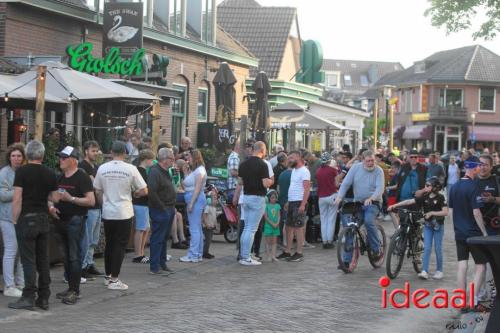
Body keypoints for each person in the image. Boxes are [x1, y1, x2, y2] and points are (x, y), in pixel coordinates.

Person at [8, 140, 59, 311]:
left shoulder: (22, 172)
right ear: (42, 155)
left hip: (27, 219)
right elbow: (55, 198)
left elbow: (17, 198)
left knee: (28, 260)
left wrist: (14, 219)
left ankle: (28, 296)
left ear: (27, 154)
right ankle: (44, 297)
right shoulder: (50, 173)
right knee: (43, 259)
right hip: (43, 218)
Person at [93, 141, 147, 290]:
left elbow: (97, 190)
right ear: (124, 153)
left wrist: (103, 203)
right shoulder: (131, 168)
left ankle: (108, 275)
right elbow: (144, 190)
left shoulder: (102, 168)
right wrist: (134, 193)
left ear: (111, 152)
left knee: (109, 244)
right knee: (120, 245)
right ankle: (115, 279)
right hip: (124, 211)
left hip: (108, 211)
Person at [50, 146, 95, 305]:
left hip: (75, 220)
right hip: (60, 220)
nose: (60, 160)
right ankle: (70, 288)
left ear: (73, 160)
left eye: (64, 158)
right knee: (67, 257)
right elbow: (53, 197)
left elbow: (91, 201)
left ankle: (75, 291)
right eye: (60, 157)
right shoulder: (60, 177)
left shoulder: (82, 177)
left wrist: (72, 199)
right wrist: (51, 207)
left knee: (74, 256)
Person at [449, 159, 490, 313]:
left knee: (462, 265)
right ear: (473, 169)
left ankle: (461, 301)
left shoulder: (454, 186)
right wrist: (484, 233)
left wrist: (456, 228)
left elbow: (450, 211)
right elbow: (476, 212)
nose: (481, 168)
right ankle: (472, 301)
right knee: (480, 266)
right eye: (479, 166)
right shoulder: (474, 186)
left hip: (459, 232)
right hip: (474, 234)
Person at [389, 177, 448, 280]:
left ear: (435, 187)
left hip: (438, 226)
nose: (425, 187)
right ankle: (424, 271)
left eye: (428, 185)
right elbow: (409, 202)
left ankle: (439, 271)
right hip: (428, 226)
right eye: (426, 185)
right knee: (427, 248)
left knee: (438, 248)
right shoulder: (425, 197)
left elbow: (445, 212)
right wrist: (395, 205)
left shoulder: (441, 198)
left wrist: (432, 213)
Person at [335, 150, 385, 263]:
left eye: (372, 160)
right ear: (362, 160)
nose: (371, 163)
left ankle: (376, 248)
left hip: (374, 203)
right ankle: (346, 261)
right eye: (368, 161)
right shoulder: (355, 168)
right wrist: (339, 197)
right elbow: (346, 183)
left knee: (368, 221)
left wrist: (371, 198)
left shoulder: (378, 171)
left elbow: (380, 189)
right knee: (350, 228)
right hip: (357, 203)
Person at [238, 141, 272, 266]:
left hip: (246, 197)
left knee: (246, 227)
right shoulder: (263, 165)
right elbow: (265, 183)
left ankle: (243, 255)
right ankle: (246, 257)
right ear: (262, 151)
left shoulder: (243, 164)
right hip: (257, 197)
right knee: (251, 229)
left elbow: (240, 182)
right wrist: (270, 182)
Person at [0, 144, 25, 298]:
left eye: (19, 156)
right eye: (13, 156)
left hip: (22, 218)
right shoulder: (4, 173)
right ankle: (9, 285)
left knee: (22, 252)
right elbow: (2, 195)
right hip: (7, 218)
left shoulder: (24, 172)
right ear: (9, 157)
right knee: (10, 250)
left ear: (23, 158)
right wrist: (20, 192)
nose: (16, 158)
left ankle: (21, 283)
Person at [147, 148, 177, 274]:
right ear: (165, 160)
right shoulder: (155, 172)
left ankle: (162, 262)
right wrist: (162, 207)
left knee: (164, 238)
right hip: (160, 209)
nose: (173, 161)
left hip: (169, 208)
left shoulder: (165, 171)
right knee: (157, 238)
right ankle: (154, 266)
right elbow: (152, 192)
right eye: (172, 158)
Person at [278, 150, 311, 262]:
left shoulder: (304, 171)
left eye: (292, 157)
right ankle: (287, 251)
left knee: (298, 228)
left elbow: (307, 189)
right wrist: (288, 201)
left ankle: (299, 252)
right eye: (289, 158)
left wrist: (303, 204)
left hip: (299, 202)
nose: (289, 160)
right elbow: (293, 187)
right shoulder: (294, 171)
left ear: (298, 157)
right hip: (292, 202)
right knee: (288, 227)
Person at [79, 141, 104, 278]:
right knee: (87, 239)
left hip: (97, 206)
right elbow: (95, 184)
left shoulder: (96, 167)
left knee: (94, 239)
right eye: (93, 150)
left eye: (97, 150)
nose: (95, 153)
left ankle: (89, 263)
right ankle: (82, 267)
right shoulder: (83, 166)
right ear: (86, 151)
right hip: (89, 207)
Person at [180, 150, 208, 263]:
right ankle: (198, 253)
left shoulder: (199, 171)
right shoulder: (196, 170)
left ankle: (193, 254)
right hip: (193, 197)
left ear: (194, 157)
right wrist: (185, 173)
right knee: (197, 228)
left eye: (189, 157)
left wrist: (191, 203)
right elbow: (187, 184)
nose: (188, 159)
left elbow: (197, 188)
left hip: (195, 199)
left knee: (194, 228)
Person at [132, 149, 155, 264]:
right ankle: (137, 254)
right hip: (140, 203)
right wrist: (145, 192)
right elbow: (139, 190)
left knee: (145, 228)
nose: (153, 162)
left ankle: (141, 252)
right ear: (146, 160)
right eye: (152, 160)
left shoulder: (144, 171)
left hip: (144, 203)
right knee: (140, 228)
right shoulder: (140, 171)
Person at [316, 152, 338, 249]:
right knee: (331, 219)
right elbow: (337, 184)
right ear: (329, 160)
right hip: (332, 195)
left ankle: (324, 241)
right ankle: (330, 241)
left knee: (323, 219)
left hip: (321, 197)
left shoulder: (318, 171)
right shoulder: (333, 170)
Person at [263, 190, 280, 262]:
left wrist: (277, 223)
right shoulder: (266, 206)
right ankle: (268, 255)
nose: (274, 199)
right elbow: (266, 217)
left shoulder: (278, 206)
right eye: (272, 198)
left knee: (274, 242)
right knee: (268, 242)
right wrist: (272, 224)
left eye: (275, 198)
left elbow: (279, 216)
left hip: (276, 226)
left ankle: (273, 256)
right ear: (269, 198)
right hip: (268, 226)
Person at [203, 189, 218, 259]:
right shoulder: (208, 207)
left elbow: (214, 217)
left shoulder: (214, 207)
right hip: (207, 226)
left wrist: (215, 224)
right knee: (207, 240)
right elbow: (204, 216)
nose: (215, 197)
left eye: (216, 195)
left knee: (209, 240)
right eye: (213, 196)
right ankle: (205, 253)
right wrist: (206, 224)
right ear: (209, 199)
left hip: (211, 226)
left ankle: (206, 252)